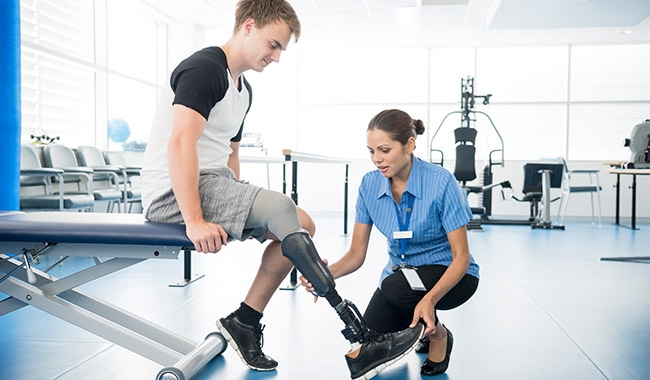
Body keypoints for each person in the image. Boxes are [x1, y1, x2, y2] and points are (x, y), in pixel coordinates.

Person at [140, 1, 423, 379]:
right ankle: (358, 336)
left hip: (212, 183)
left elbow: (230, 155)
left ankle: (245, 320)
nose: (275, 57)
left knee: (301, 224)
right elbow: (179, 143)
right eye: (273, 45)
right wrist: (194, 219)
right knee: (282, 206)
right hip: (172, 191)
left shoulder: (243, 90)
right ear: (249, 26)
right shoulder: (205, 68)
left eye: (281, 50)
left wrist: (236, 202)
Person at [301, 109, 480, 376]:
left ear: (409, 144)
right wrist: (323, 275)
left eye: (384, 150)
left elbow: (461, 257)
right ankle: (420, 326)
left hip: (451, 274)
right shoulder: (369, 185)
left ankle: (438, 335)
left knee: (395, 286)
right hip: (401, 281)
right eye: (371, 151)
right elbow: (356, 254)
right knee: (367, 341)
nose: (377, 159)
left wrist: (429, 300)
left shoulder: (441, 182)